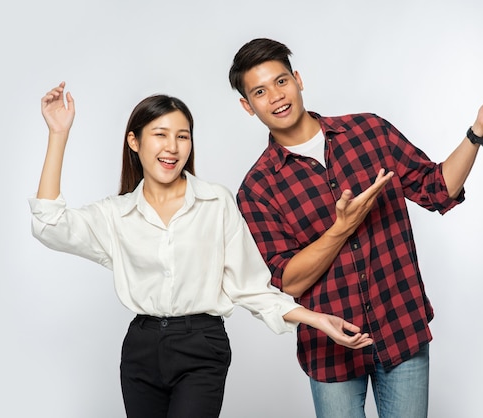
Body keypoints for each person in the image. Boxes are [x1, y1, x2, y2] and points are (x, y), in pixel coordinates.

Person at [28, 82, 375, 418]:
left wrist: (316, 319)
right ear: (134, 142)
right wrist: (58, 135)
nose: (173, 147)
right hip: (141, 348)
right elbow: (49, 225)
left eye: (182, 136)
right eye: (160, 135)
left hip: (202, 345)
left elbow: (251, 285)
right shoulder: (115, 215)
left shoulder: (215, 202)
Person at [228, 38, 483, 418]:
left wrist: (477, 131)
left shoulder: (369, 132)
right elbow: (289, 281)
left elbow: (437, 189)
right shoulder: (257, 188)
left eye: (281, 81)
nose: (275, 96)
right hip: (331, 350)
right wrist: (341, 228)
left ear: (298, 80)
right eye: (259, 91)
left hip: (401, 327)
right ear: (247, 106)